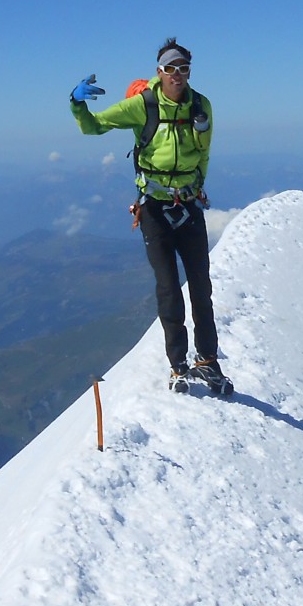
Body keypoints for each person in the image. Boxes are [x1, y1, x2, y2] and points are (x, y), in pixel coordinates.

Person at [69, 38, 231, 395]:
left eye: (183, 69)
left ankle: (207, 360)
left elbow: (204, 153)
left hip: (187, 205)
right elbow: (93, 126)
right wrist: (77, 103)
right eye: (170, 69)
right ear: (159, 72)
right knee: (169, 288)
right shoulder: (142, 105)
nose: (177, 75)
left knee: (201, 288)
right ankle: (178, 363)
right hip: (155, 208)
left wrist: (197, 185)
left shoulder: (201, 106)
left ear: (189, 71)